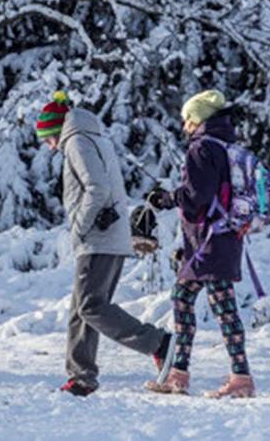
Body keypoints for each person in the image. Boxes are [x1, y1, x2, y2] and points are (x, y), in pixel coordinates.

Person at [36, 91, 174, 397]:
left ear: (58, 130)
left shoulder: (77, 141)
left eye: (48, 138)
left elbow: (97, 188)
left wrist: (81, 227)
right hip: (105, 235)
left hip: (99, 237)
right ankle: (81, 375)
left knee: (90, 306)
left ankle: (158, 343)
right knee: (81, 308)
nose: (48, 145)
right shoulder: (91, 136)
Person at [143, 89, 256, 398]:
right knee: (186, 298)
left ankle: (239, 378)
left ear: (196, 120)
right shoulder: (228, 145)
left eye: (186, 120)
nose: (184, 127)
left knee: (221, 307)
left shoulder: (201, 149)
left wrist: (166, 198)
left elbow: (195, 199)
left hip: (209, 241)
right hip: (223, 237)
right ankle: (180, 374)